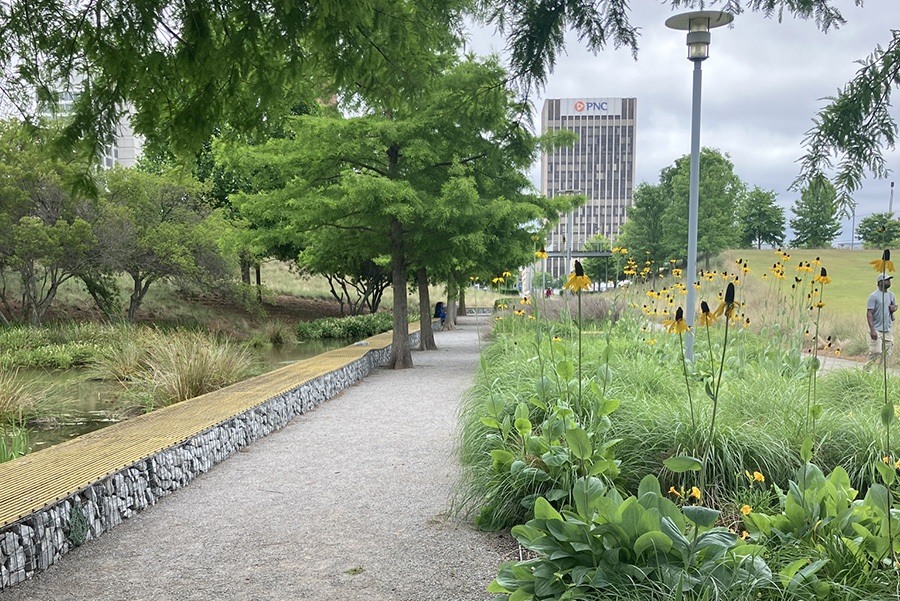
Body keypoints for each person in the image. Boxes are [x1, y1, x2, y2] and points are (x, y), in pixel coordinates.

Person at [866, 273, 898, 369]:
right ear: (880, 282)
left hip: (887, 330)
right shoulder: (873, 296)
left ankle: (880, 374)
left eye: (889, 280)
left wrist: (894, 308)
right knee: (875, 353)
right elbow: (869, 313)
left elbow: (894, 306)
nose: (889, 282)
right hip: (877, 330)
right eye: (886, 280)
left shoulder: (891, 295)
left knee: (887, 354)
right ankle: (866, 372)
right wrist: (872, 330)